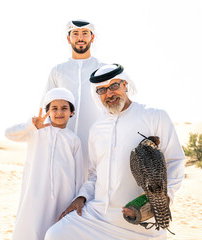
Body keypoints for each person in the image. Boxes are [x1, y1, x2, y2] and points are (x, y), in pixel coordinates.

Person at [44, 64, 185, 240]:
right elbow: (95, 173)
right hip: (98, 215)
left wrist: (160, 201)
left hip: (137, 219)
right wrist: (81, 197)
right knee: (55, 234)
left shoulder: (154, 116)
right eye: (102, 90)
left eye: (114, 86)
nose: (109, 94)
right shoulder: (96, 129)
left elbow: (175, 162)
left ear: (125, 85)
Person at [5, 88, 84, 240]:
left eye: (64, 108)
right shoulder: (35, 132)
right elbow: (9, 134)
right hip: (35, 194)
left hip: (63, 196)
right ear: (47, 111)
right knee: (31, 230)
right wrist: (31, 125)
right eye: (54, 108)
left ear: (71, 112)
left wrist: (77, 198)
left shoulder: (73, 139)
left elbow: (78, 174)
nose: (59, 112)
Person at [41, 19, 106, 177]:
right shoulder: (58, 71)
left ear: (92, 37)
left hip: (96, 141)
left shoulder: (102, 69)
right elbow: (45, 107)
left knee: (93, 186)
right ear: (69, 38)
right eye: (75, 33)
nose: (80, 37)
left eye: (85, 33)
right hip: (63, 141)